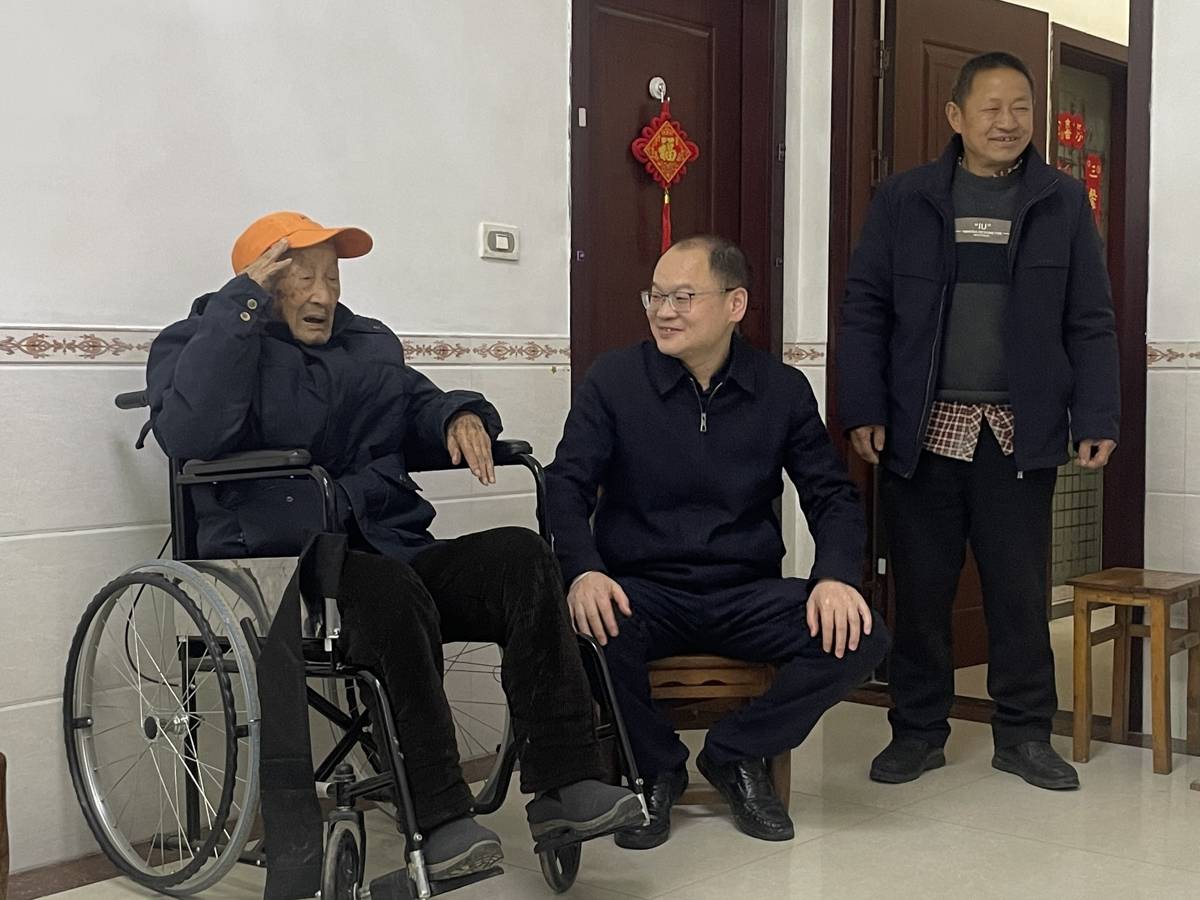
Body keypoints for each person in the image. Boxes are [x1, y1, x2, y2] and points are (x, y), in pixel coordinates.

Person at [146, 211, 642, 881]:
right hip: (280, 564)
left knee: (522, 558)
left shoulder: (366, 345)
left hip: (384, 546)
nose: (323, 295)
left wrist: (459, 414)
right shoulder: (200, 339)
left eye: (332, 278)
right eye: (302, 279)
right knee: (390, 589)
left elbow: (414, 404)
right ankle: (439, 818)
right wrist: (239, 310)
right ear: (261, 283)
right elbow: (191, 433)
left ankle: (566, 783)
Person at [546, 234, 889, 849]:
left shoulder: (781, 389)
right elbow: (565, 486)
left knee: (863, 634)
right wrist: (584, 570)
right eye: (655, 296)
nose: (663, 311)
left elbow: (831, 495)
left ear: (735, 304)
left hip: (743, 592)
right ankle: (655, 769)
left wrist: (835, 576)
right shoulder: (615, 380)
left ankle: (736, 753)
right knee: (583, 629)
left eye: (682, 297)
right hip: (642, 592)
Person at [837, 52, 1120, 791]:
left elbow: (1090, 319)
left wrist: (1095, 412)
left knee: (1019, 593)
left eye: (1020, 106)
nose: (1007, 121)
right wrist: (863, 406)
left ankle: (1024, 735)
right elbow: (865, 308)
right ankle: (917, 731)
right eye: (991, 107)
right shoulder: (905, 198)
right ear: (956, 116)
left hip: (1018, 431)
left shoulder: (1062, 201)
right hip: (922, 428)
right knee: (920, 591)